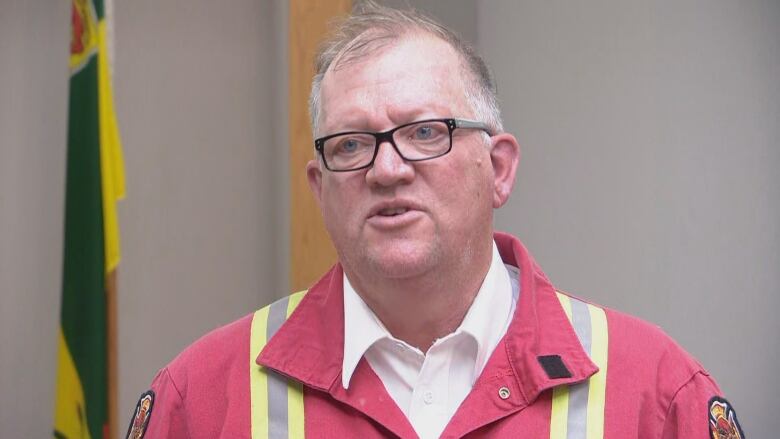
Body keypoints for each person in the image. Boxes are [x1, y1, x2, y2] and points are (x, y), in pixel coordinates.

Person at [126, 3, 744, 438]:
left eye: (426, 133)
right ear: (321, 190)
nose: (387, 170)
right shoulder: (203, 398)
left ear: (498, 169)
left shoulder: (655, 394)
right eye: (349, 145)